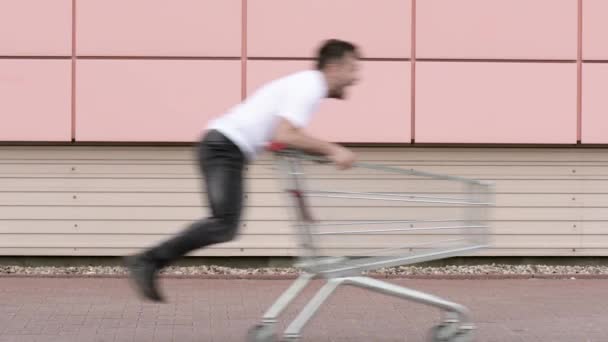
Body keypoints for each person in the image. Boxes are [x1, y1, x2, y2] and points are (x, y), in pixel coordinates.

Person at [125, 39, 360, 301]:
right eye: (352, 68)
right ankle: (147, 260)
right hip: (223, 148)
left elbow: (281, 142)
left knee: (224, 225)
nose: (355, 78)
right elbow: (287, 135)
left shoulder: (304, 85)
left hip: (224, 146)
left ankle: (149, 261)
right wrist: (333, 150)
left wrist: (305, 203)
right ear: (334, 67)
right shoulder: (310, 86)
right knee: (224, 224)